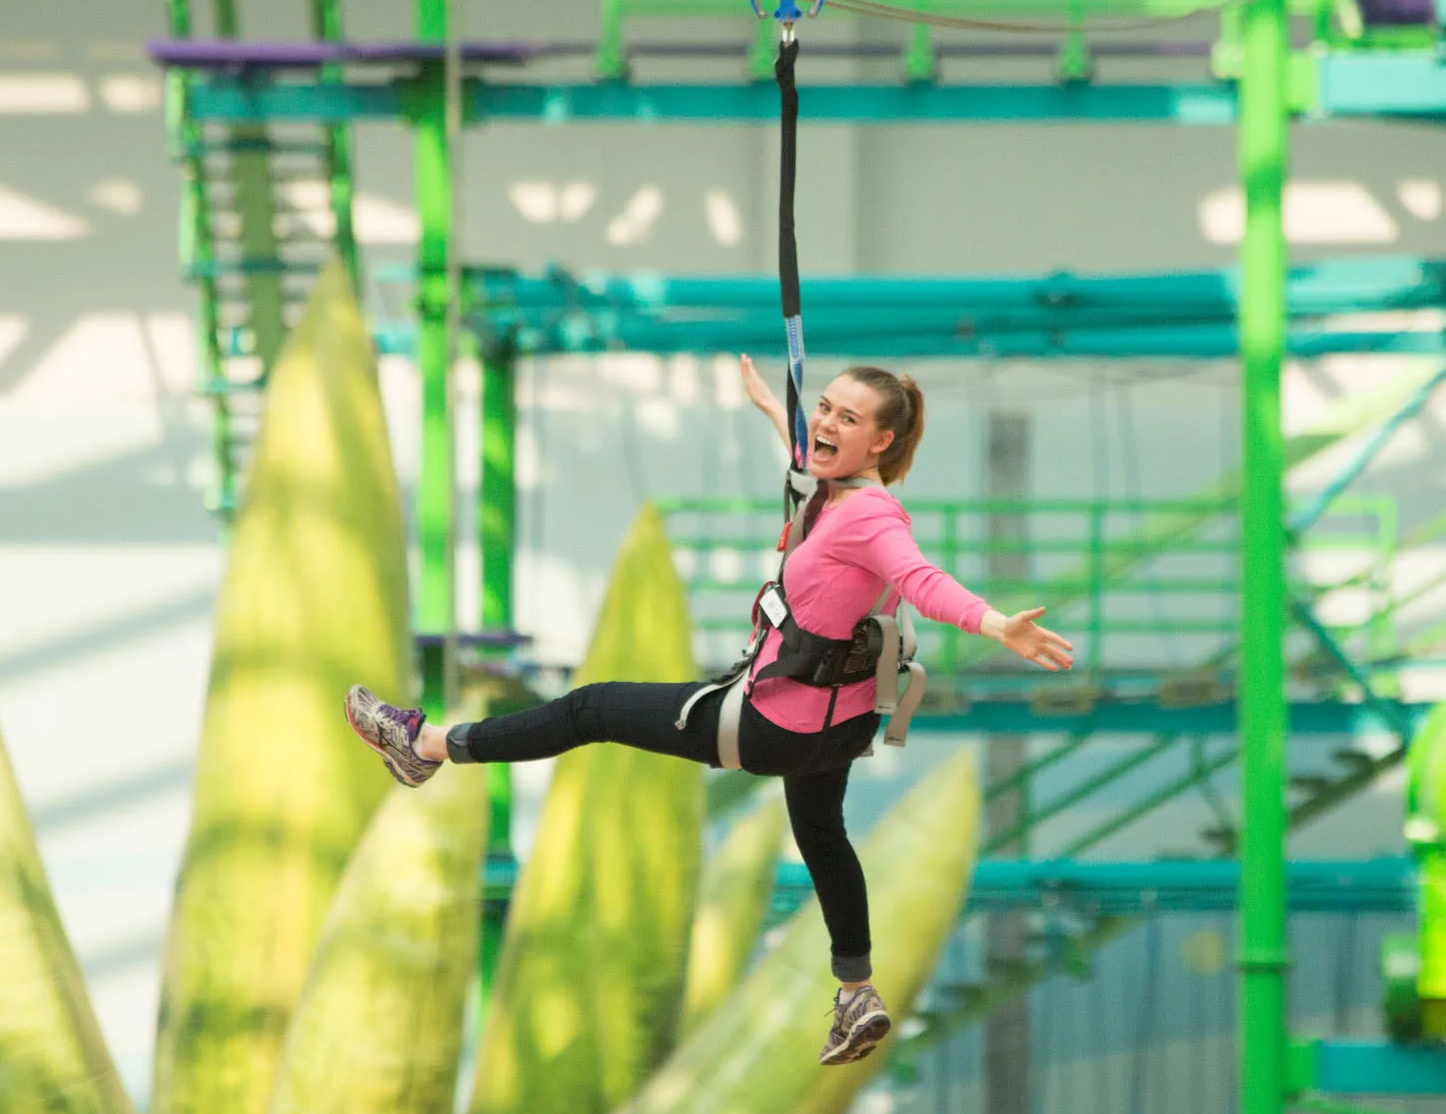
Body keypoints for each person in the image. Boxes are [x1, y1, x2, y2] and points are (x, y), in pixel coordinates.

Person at [344, 359, 1075, 1068]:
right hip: (837, 730)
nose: (823, 423)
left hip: (771, 728)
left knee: (592, 707)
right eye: (823, 406)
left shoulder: (871, 519)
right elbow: (805, 455)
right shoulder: (834, 487)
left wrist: (993, 623)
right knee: (823, 836)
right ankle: (856, 989)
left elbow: (920, 578)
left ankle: (430, 746)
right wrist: (776, 409)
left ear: (882, 442)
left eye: (846, 419)